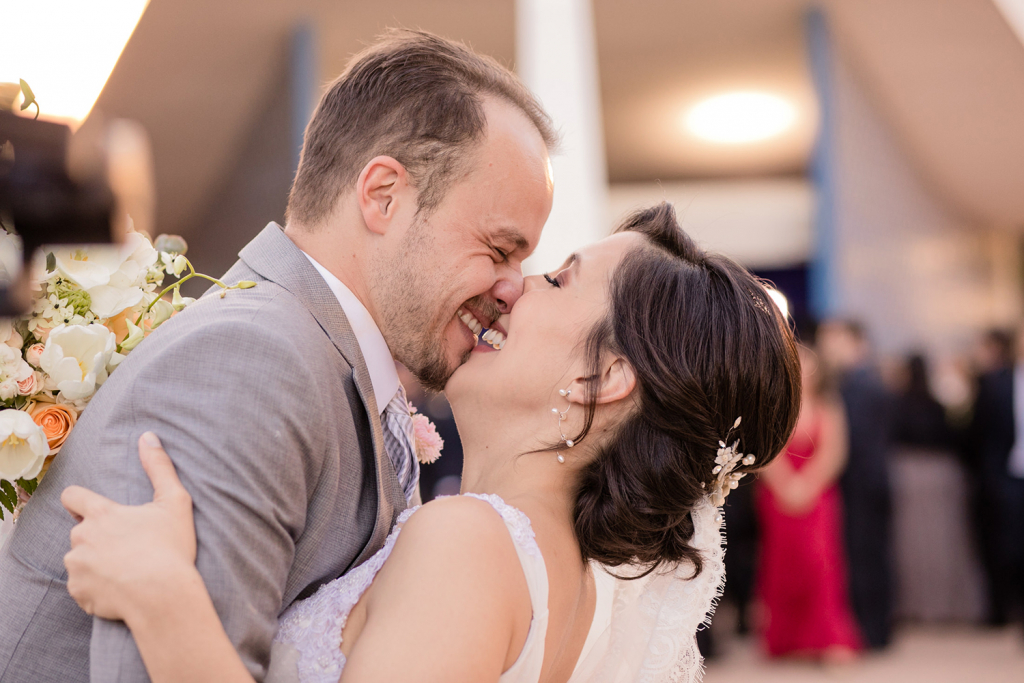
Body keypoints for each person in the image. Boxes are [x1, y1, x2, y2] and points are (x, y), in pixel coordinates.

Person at [0, 30, 556, 682]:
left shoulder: (316, 365)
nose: (516, 287)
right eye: (500, 249)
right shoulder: (248, 363)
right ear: (382, 195)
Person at [59, 203, 802, 682]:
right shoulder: (581, 586)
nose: (513, 287)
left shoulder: (473, 544)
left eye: (555, 278)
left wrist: (164, 600)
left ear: (604, 377)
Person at [757, 344, 863, 660]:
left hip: (818, 496)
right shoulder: (772, 406)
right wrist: (785, 484)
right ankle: (787, 641)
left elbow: (834, 451)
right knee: (782, 565)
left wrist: (808, 484)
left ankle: (830, 640)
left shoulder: (828, 405)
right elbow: (764, 453)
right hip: (779, 496)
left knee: (822, 565)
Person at [816, 319, 893, 649]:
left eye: (833, 339)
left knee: (867, 560)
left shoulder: (863, 384)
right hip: (864, 484)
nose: (827, 348)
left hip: (865, 486)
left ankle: (873, 633)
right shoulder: (856, 381)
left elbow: (856, 441)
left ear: (854, 341)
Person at [966, 328, 1024, 628]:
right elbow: (979, 435)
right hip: (1008, 479)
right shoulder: (995, 383)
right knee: (1007, 549)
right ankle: (1003, 611)